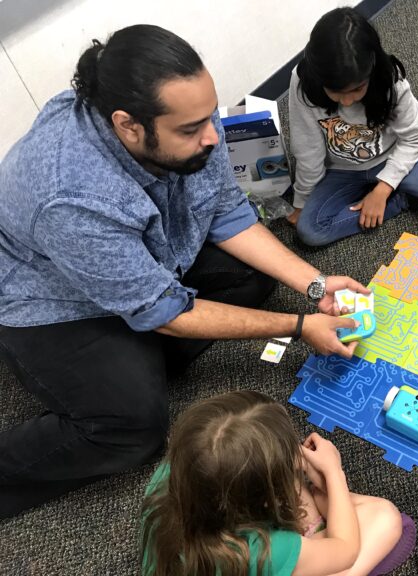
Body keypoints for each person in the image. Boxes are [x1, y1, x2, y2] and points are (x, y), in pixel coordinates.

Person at [0, 24, 371, 518]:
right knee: (134, 423)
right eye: (192, 130)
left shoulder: (187, 122)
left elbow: (226, 210)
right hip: (49, 301)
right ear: (129, 125)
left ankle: (137, 352)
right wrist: (300, 326)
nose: (213, 137)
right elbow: (163, 311)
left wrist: (315, 282)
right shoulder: (71, 196)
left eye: (208, 116)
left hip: (144, 259)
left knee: (250, 278)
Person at [141, 390, 416, 576]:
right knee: (389, 520)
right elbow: (347, 551)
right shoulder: (263, 550)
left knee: (316, 498)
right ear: (262, 499)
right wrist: (334, 474)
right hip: (258, 559)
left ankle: (319, 508)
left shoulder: (172, 473)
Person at [287, 7, 418, 245]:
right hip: (341, 169)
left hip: (392, 154)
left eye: (357, 89)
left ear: (372, 70)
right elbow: (308, 151)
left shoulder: (391, 82)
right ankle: (404, 198)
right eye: (336, 92)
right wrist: (301, 201)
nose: (346, 102)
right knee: (310, 232)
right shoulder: (303, 82)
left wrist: (382, 190)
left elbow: (410, 140)